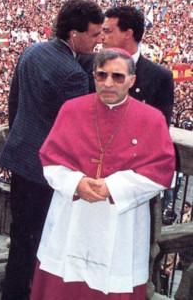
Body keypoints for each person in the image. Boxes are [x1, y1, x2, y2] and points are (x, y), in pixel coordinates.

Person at [31, 48, 176, 299]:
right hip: (72, 214)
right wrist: (76, 182)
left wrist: (114, 187)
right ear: (94, 76)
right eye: (102, 75)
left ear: (132, 80)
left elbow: (160, 173)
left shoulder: (152, 119)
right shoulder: (71, 109)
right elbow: (50, 161)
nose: (108, 83)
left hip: (122, 220)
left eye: (118, 77)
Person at [0, 0, 105, 300]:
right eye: (94, 34)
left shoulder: (33, 50)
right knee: (42, 240)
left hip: (21, 156)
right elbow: (74, 131)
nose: (99, 41)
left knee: (20, 237)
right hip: (47, 169)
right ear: (74, 34)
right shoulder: (72, 73)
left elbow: (14, 102)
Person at [85, 5, 174, 124]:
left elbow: (160, 129)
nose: (101, 37)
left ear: (128, 34)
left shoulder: (160, 77)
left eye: (107, 31)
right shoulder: (88, 63)